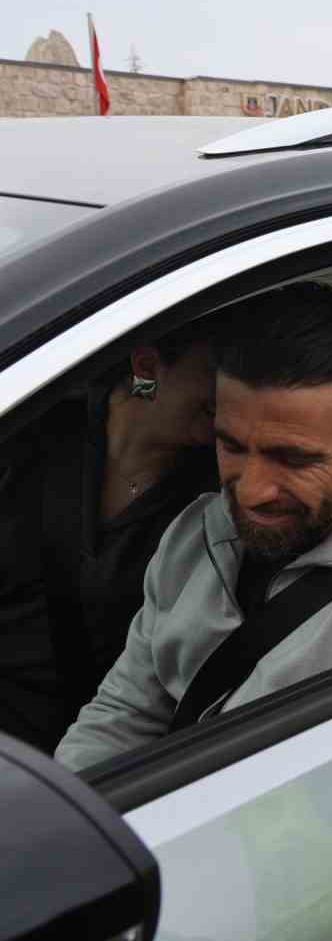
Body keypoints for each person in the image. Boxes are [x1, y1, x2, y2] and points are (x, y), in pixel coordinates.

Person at [57, 284, 332, 770]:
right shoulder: (194, 531)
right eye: (232, 447)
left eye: (293, 459)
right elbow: (126, 713)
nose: (251, 492)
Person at [0, 314, 227, 753]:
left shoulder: (219, 493)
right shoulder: (29, 426)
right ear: (146, 365)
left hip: (89, 757)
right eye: (218, 369)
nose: (235, 390)